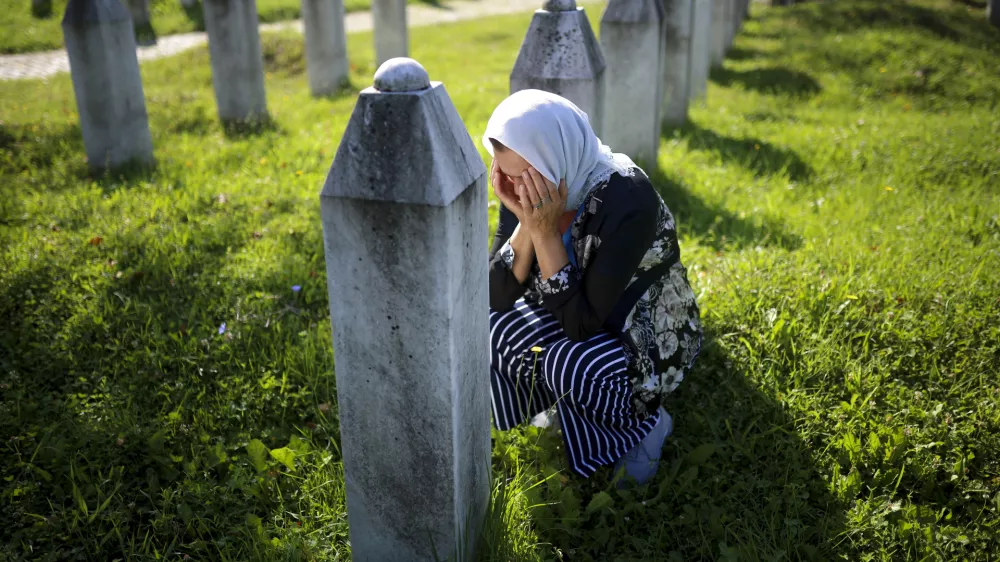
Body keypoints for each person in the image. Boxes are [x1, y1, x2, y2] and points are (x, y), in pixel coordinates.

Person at [485, 90, 702, 484]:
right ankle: (563, 410)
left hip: (642, 336)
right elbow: (496, 297)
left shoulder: (626, 198)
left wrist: (544, 232)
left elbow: (582, 327)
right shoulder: (526, 191)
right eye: (507, 175)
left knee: (569, 362)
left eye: (527, 177)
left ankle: (645, 425)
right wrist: (524, 223)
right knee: (491, 326)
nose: (518, 189)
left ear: (558, 157)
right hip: (574, 311)